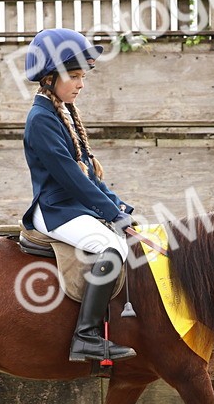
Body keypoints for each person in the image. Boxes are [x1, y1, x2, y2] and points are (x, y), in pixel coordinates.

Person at [21, 28, 139, 362]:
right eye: (74, 76)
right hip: (55, 208)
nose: (80, 84)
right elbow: (72, 179)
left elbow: (87, 170)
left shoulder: (63, 112)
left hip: (73, 205)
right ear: (49, 77)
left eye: (82, 77)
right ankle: (85, 337)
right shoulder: (41, 120)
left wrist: (119, 207)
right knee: (112, 247)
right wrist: (113, 216)